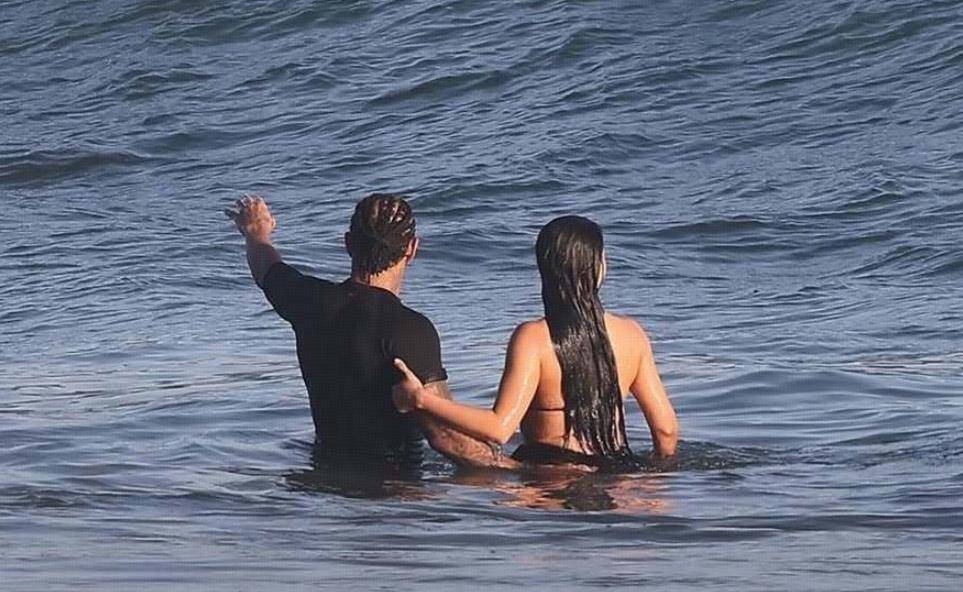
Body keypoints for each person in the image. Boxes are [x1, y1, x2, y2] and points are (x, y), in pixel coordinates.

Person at [226, 193, 512, 468]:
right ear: (412, 249)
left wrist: (256, 231)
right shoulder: (410, 329)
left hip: (326, 473)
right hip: (395, 486)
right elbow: (448, 439)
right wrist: (517, 471)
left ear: (348, 243)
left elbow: (266, 267)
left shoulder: (308, 300)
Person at [393, 215, 679, 466]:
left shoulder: (533, 338)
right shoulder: (632, 335)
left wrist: (421, 399)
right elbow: (666, 431)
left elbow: (499, 429)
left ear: (546, 268)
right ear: (597, 267)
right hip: (616, 471)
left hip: (550, 482)